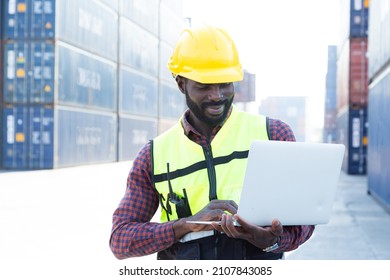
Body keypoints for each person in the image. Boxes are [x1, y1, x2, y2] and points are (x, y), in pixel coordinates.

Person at [110, 24, 314, 260]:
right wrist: (186, 225)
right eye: (204, 86)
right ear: (181, 84)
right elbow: (121, 240)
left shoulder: (273, 135)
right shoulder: (154, 155)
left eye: (225, 84)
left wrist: (273, 241)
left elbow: (304, 221)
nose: (217, 95)